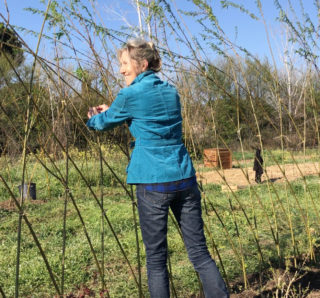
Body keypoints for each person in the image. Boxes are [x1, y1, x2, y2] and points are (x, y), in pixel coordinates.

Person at [87, 38, 229, 298]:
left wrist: (94, 117)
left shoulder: (129, 95)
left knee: (156, 260)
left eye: (124, 64)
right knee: (199, 252)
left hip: (153, 183)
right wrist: (118, 111)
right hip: (184, 177)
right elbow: (152, 124)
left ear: (142, 64)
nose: (121, 70)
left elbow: (103, 123)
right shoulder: (171, 91)